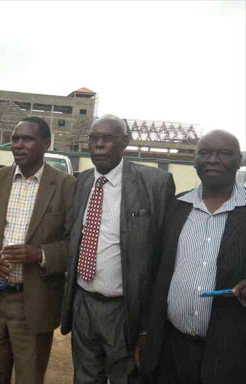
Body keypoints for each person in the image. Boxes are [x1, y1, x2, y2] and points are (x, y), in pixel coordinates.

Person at [60, 114, 175, 384]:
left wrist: (148, 322)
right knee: (85, 376)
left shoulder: (155, 183)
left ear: (124, 143)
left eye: (107, 139)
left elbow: (163, 257)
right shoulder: (83, 181)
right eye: (93, 138)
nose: (99, 145)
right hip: (84, 303)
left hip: (125, 310)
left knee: (126, 377)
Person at [0, 116, 76, 384]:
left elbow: (74, 243)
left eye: (27, 139)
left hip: (33, 304)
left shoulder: (65, 186)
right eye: (15, 139)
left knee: (29, 378)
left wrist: (39, 254)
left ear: (46, 144)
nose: (18, 144)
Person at [141, 130, 246, 384]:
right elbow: (156, 272)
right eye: (205, 153)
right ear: (194, 160)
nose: (212, 160)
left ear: (240, 159)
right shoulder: (176, 206)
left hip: (231, 352)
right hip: (171, 347)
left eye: (224, 154)